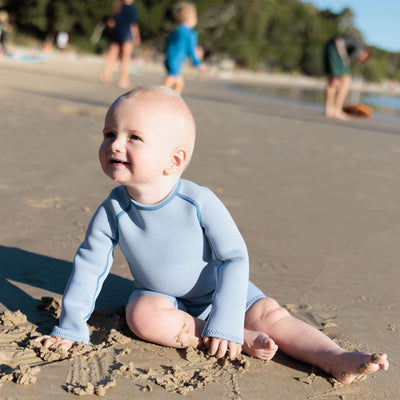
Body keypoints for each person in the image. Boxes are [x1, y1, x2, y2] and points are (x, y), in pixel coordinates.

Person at [37, 85, 388, 385]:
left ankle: (335, 358)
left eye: (134, 138)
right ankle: (229, 338)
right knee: (141, 314)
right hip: (164, 299)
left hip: (226, 292)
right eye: (109, 134)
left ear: (174, 160)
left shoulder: (198, 201)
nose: (115, 144)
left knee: (272, 316)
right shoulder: (113, 209)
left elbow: (234, 257)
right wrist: (71, 326)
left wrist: (227, 315)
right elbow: (90, 265)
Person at [323, 34, 370, 120]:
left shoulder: (355, 44)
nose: (360, 60)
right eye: (363, 59)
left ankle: (329, 109)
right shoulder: (360, 49)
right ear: (366, 53)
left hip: (329, 45)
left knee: (333, 82)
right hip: (338, 45)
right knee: (346, 80)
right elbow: (347, 60)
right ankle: (337, 110)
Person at [163, 2, 205, 94]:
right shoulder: (191, 34)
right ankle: (159, 100)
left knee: (179, 84)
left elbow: (168, 45)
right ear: (191, 18)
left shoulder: (175, 31)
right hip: (177, 61)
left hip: (169, 59)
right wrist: (198, 64)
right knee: (168, 84)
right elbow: (191, 51)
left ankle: (172, 103)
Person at [100, 0, 141, 89]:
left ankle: (106, 75)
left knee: (112, 56)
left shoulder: (117, 6)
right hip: (127, 34)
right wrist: (136, 37)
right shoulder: (132, 8)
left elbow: (111, 22)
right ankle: (123, 80)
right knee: (125, 58)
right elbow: (133, 24)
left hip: (116, 33)